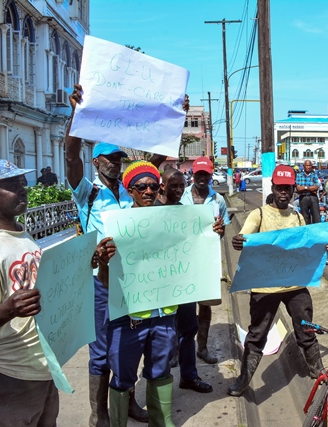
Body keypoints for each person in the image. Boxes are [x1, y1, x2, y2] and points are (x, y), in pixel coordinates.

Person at [66, 83, 163, 425]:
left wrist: (174, 118)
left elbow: (156, 161)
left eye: (119, 159)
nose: (115, 164)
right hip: (101, 284)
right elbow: (69, 156)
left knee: (127, 346)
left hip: (134, 281)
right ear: (97, 161)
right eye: (109, 159)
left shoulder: (131, 191)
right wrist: (76, 115)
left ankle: (130, 401)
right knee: (101, 351)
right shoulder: (86, 193)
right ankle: (98, 414)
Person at [228, 165, 328, 397]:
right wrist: (239, 240)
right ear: (274, 188)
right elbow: (244, 236)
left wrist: (327, 246)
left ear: (292, 190)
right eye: (280, 188)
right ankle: (243, 379)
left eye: (287, 188)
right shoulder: (259, 214)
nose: (283, 192)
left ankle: (316, 369)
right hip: (265, 286)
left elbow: (310, 244)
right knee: (257, 335)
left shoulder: (297, 216)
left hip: (295, 285)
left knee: (306, 329)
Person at [0, 159, 59, 427]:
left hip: (43, 370)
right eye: (12, 185)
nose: (23, 190)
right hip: (8, 374)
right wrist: (7, 309)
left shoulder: (20, 233)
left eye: (23, 184)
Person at [99, 161, 177, 427]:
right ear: (129, 190)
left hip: (164, 315)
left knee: (161, 371)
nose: (148, 191)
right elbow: (105, 282)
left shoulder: (172, 222)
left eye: (153, 186)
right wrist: (103, 262)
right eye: (141, 186)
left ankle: (162, 422)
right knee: (122, 376)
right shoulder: (117, 225)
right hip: (128, 318)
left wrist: (208, 236)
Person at [176, 157, 228, 392]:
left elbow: (222, 230)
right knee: (183, 305)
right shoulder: (182, 196)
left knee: (205, 305)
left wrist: (220, 230)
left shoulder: (218, 200)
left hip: (207, 260)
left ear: (210, 174)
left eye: (206, 174)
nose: (202, 177)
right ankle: (179, 349)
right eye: (198, 174)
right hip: (184, 261)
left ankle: (202, 347)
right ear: (193, 174)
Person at [295, 160, 321, 224]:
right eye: (307, 165)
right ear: (304, 166)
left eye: (309, 165)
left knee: (316, 217)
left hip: (313, 197)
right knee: (305, 217)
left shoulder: (314, 175)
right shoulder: (299, 175)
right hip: (303, 197)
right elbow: (299, 188)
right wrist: (310, 188)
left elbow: (316, 187)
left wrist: (304, 187)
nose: (308, 167)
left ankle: (316, 231)